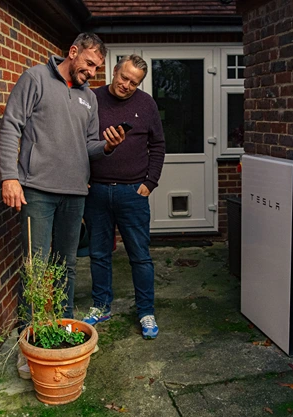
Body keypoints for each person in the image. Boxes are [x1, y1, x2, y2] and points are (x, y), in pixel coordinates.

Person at [0, 33, 125, 377]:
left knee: (66, 266)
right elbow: (11, 125)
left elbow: (90, 145)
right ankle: (30, 344)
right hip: (36, 190)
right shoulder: (35, 78)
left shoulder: (89, 99)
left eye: (98, 68)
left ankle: (64, 332)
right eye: (89, 64)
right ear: (73, 52)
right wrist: (9, 176)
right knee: (36, 268)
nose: (92, 73)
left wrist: (108, 147)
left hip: (74, 193)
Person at [82, 54, 165, 340]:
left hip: (133, 192)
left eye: (134, 82)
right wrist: (84, 181)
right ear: (113, 71)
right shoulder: (91, 99)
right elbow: (78, 141)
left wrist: (150, 183)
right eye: (124, 78)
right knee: (99, 253)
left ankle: (145, 311)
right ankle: (101, 305)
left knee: (140, 256)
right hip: (97, 191)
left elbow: (158, 144)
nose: (127, 85)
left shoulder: (146, 104)